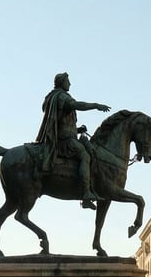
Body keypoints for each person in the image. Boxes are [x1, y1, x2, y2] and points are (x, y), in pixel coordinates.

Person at [35, 72, 111, 208]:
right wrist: (95, 105)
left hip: (67, 136)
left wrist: (78, 130)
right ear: (62, 82)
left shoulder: (55, 97)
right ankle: (86, 193)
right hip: (64, 141)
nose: (70, 84)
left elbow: (62, 124)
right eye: (67, 81)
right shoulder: (61, 97)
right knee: (85, 156)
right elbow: (78, 105)